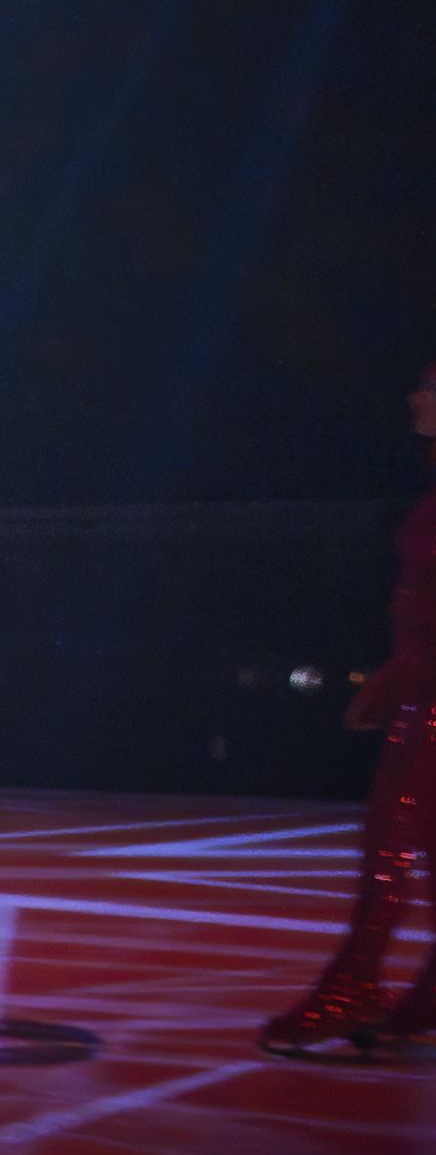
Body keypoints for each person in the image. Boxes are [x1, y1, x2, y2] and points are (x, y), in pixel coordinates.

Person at [261, 353, 436, 1057]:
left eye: (428, 386)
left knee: (388, 845)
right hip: (423, 686)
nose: (414, 396)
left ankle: (352, 990)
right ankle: (416, 1002)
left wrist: (401, 676)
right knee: (401, 843)